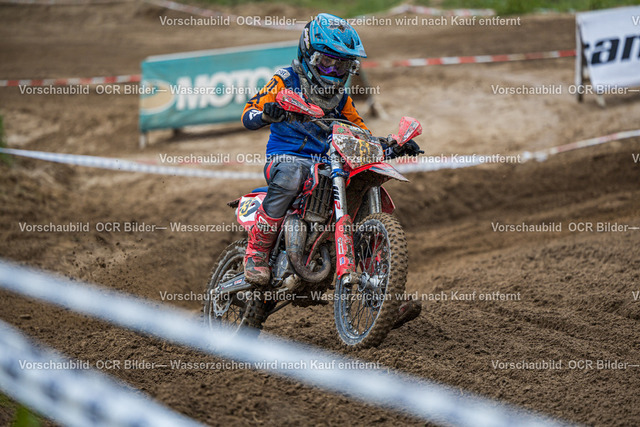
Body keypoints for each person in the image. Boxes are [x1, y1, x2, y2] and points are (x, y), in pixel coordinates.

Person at [241, 13, 422, 328]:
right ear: (308, 54)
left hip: (330, 162)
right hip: (288, 157)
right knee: (293, 174)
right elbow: (249, 113)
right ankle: (256, 252)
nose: (334, 72)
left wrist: (391, 145)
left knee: (368, 185)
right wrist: (268, 113)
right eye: (327, 63)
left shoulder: (341, 98)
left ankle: (382, 296)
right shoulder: (286, 79)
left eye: (342, 66)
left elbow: (360, 132)